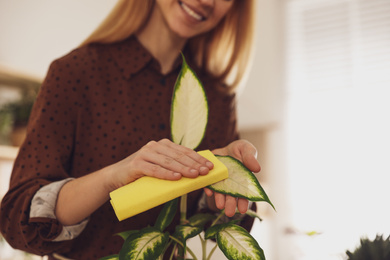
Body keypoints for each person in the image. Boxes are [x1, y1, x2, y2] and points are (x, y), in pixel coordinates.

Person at [0, 0, 259, 259]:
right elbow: (17, 218)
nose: (206, 1)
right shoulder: (75, 73)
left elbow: (222, 225)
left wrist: (225, 182)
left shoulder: (218, 98)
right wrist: (112, 177)